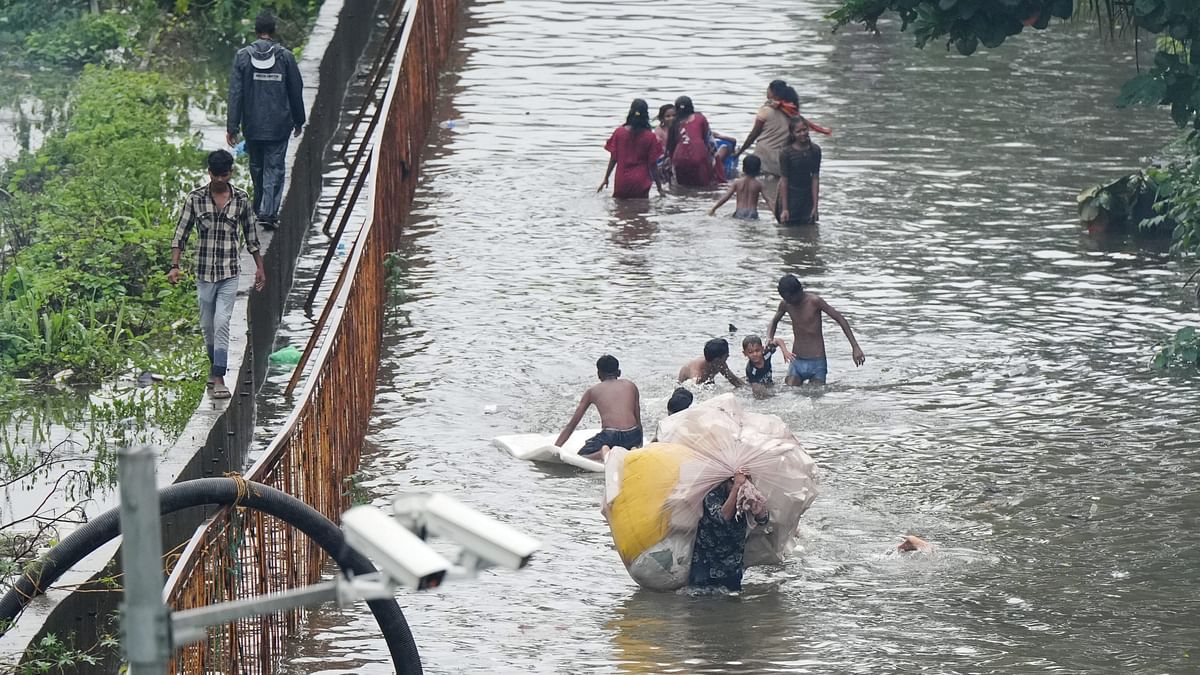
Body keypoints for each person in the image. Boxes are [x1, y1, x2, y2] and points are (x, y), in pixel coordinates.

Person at [168, 150, 266, 399]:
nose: (220, 180)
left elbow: (252, 236)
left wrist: (259, 268)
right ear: (209, 173)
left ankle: (220, 376)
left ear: (230, 173)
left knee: (222, 322)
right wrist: (175, 265)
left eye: (224, 175)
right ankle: (214, 368)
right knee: (207, 325)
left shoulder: (241, 200)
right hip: (204, 272)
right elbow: (182, 233)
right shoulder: (195, 199)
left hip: (229, 272)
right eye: (216, 175)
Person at [226, 10, 306, 230]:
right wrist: (299, 120)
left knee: (257, 168)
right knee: (274, 168)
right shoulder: (286, 58)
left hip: (252, 125)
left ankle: (261, 207)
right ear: (273, 30)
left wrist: (232, 126)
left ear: (255, 30)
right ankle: (268, 213)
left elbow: (235, 94)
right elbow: (295, 90)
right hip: (279, 125)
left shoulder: (243, 57)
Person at [766, 274, 866, 386]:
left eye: (790, 299)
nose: (789, 302)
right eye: (786, 299)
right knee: (790, 392)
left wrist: (855, 347)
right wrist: (769, 338)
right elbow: (774, 321)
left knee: (816, 394)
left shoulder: (814, 301)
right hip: (797, 360)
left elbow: (840, 319)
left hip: (817, 362)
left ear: (800, 291)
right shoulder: (786, 304)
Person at [688, 470, 769, 591]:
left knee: (732, 603)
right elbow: (723, 517)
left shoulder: (747, 495)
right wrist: (736, 488)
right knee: (701, 603)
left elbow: (764, 520)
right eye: (733, 482)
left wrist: (759, 512)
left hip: (732, 565)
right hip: (707, 565)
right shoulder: (712, 495)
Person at [556, 355, 643, 461]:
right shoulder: (631, 385)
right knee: (629, 446)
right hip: (633, 434)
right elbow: (638, 420)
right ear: (619, 372)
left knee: (580, 457)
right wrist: (639, 444)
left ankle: (601, 453)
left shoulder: (592, 391)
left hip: (610, 435)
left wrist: (556, 448)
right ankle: (633, 450)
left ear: (598, 374)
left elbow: (571, 425)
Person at [599, 99, 665, 199]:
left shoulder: (619, 133)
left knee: (620, 211)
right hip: (641, 181)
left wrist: (606, 178)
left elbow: (613, 158)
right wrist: (659, 188)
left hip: (622, 180)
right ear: (646, 115)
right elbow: (653, 164)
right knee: (641, 210)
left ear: (631, 112)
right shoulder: (650, 137)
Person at [734, 80, 793, 179]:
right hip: (781, 159)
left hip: (763, 157)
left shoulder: (765, 110)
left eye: (768, 89)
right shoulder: (790, 112)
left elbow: (754, 134)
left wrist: (740, 152)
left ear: (772, 92)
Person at [667, 96, 725, 188]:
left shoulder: (675, 123)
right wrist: (715, 164)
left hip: (679, 158)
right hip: (698, 157)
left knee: (683, 188)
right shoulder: (700, 118)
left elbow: (670, 147)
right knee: (703, 187)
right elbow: (710, 142)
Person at [776, 118, 821, 225]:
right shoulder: (786, 152)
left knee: (810, 230)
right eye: (798, 132)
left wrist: (815, 206)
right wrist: (785, 209)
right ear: (792, 134)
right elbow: (784, 180)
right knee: (788, 232)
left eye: (805, 130)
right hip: (791, 196)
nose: (802, 133)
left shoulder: (815, 150)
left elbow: (815, 178)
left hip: (807, 196)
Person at [709, 155, 773, 219]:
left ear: (743, 168)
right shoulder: (759, 184)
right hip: (752, 213)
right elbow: (768, 200)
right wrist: (775, 214)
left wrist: (714, 208)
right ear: (758, 169)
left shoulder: (737, 183)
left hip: (739, 212)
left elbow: (726, 197)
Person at [678, 338, 745, 387]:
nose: (728, 355)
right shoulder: (697, 374)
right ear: (717, 360)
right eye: (726, 355)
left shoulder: (720, 364)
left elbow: (734, 380)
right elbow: (691, 391)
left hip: (707, 383)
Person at [654, 103, 676, 185]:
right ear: (662, 119)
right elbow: (659, 148)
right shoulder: (659, 131)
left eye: (674, 115)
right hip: (664, 159)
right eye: (668, 116)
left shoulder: (679, 128)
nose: (672, 118)